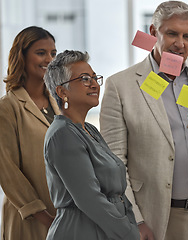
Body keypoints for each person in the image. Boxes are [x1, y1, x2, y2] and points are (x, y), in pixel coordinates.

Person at [100, 1, 188, 240]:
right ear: (153, 32)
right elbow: (114, 164)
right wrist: (136, 220)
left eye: (187, 36)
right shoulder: (120, 86)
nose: (180, 44)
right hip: (159, 218)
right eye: (172, 34)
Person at [43, 50, 140, 240]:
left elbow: (118, 192)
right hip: (80, 231)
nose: (94, 84)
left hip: (107, 230)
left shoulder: (89, 130)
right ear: (62, 91)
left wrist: (132, 225)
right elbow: (90, 200)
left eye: (95, 78)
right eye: (85, 79)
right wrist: (129, 234)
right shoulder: (63, 134)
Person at [0, 26, 58, 240]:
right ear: (21, 57)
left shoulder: (59, 104)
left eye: (53, 53)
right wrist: (44, 216)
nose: (49, 60)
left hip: (63, 215)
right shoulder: (8, 108)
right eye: (41, 53)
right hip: (31, 219)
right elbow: (7, 171)